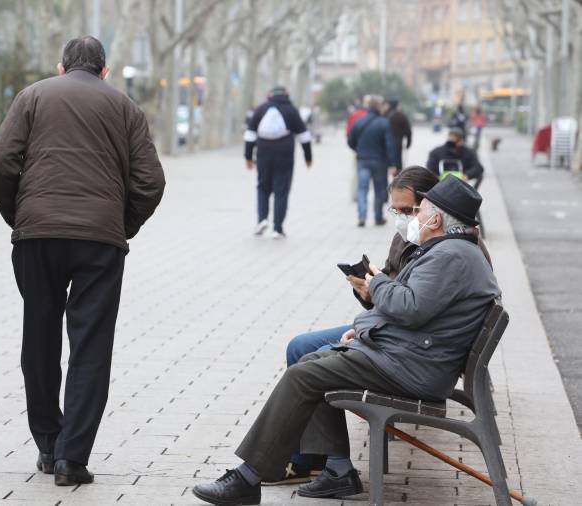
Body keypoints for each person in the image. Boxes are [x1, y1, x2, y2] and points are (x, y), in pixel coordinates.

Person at [191, 176, 500, 504]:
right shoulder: (454, 251)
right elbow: (417, 310)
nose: (415, 217)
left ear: (435, 219)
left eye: (419, 210)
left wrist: (378, 280)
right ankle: (335, 472)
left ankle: (247, 478)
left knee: (304, 374)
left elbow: (409, 307)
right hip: (413, 358)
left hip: (412, 368)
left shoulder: (450, 255)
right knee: (315, 360)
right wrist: (367, 328)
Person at [0, 36, 165, 486]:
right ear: (105, 71)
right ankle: (72, 458)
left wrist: (17, 213)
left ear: (61, 67)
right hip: (99, 243)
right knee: (91, 345)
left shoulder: (33, 96)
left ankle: (48, 442)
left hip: (37, 237)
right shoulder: (125, 108)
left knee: (39, 336)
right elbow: (151, 181)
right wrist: (122, 224)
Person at [243, 86, 312, 238]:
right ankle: (278, 228)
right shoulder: (291, 110)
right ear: (286, 95)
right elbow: (304, 136)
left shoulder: (260, 109)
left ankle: (262, 220)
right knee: (281, 190)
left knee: (262, 187)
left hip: (263, 153)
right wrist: (308, 157)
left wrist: (248, 156)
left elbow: (249, 135)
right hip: (284, 154)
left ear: (269, 95)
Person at [348, 95, 397, 227]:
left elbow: (350, 141)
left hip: (362, 160)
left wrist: (359, 150)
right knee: (379, 189)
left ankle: (362, 216)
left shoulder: (359, 121)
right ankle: (378, 217)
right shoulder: (383, 123)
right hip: (379, 162)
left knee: (362, 188)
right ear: (378, 107)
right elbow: (389, 145)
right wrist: (393, 163)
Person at [382, 98, 412, 173]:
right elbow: (408, 131)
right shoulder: (401, 116)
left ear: (389, 105)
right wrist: (408, 143)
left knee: (384, 166)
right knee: (398, 166)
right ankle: (397, 182)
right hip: (398, 144)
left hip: (384, 144)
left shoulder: (384, 116)